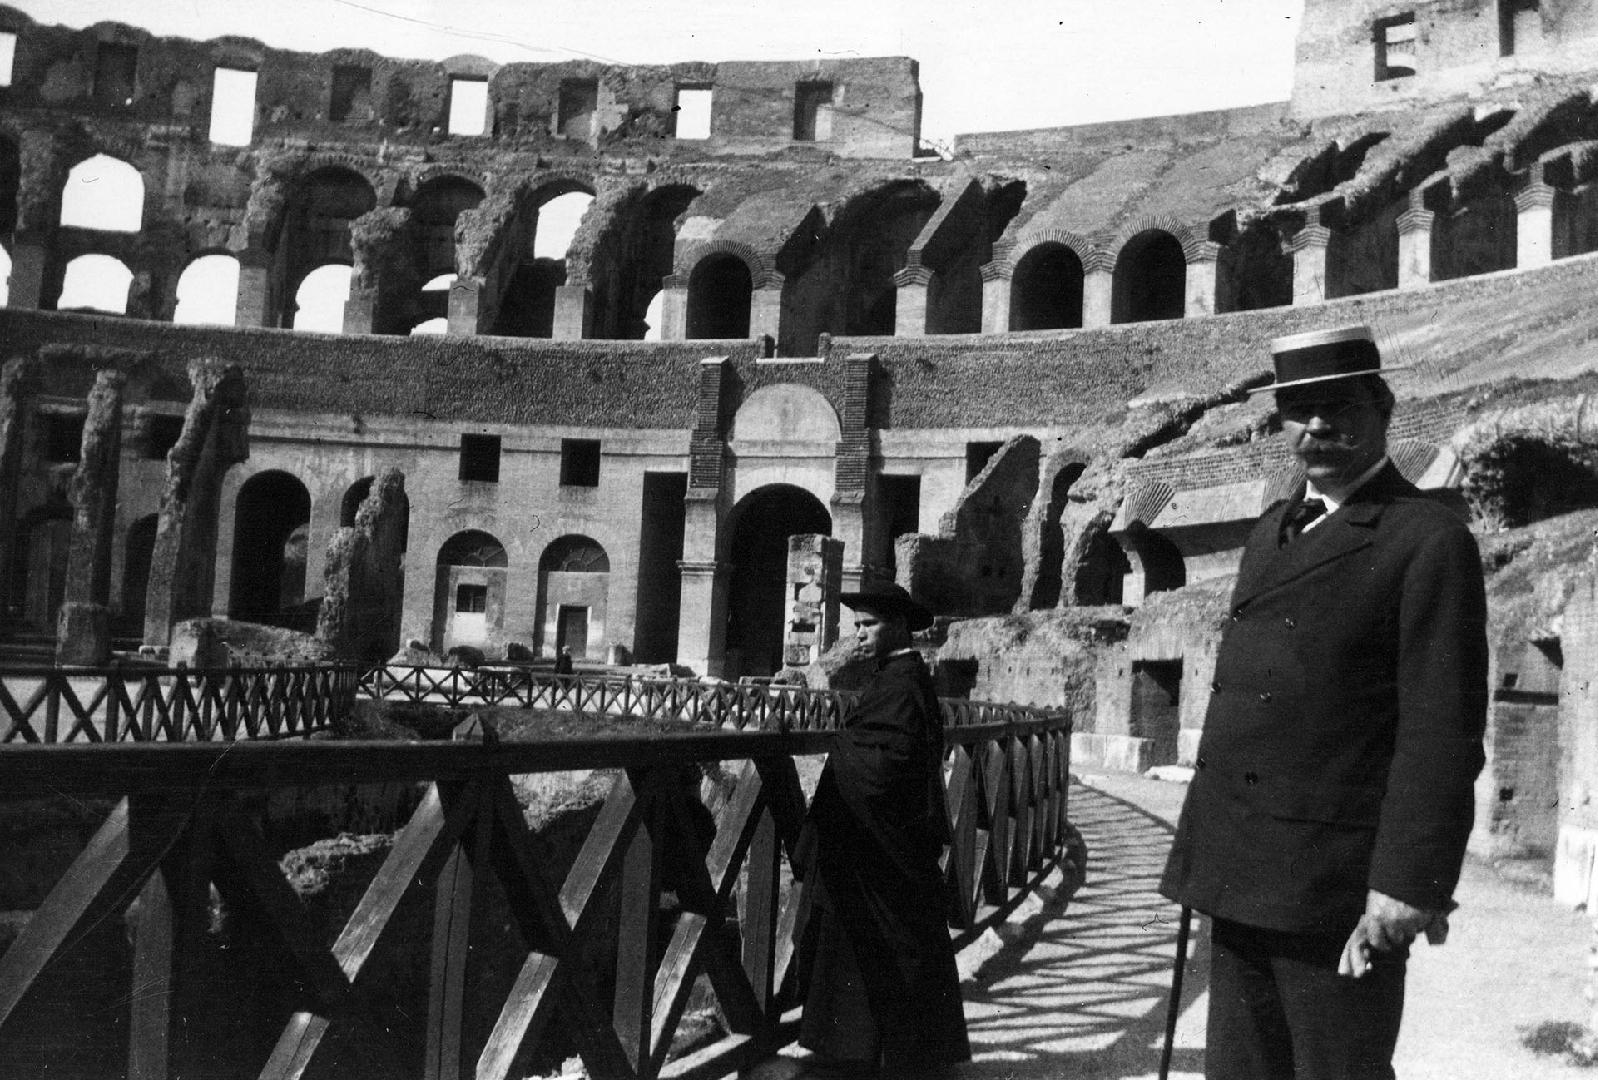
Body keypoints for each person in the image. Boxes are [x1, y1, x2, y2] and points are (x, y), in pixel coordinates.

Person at [1159, 325, 1489, 1080]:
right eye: (1297, 410)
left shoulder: (1427, 539)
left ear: (1383, 406)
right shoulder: (1271, 530)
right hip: (1239, 871)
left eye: (1337, 405)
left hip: (1333, 888)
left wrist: (1408, 885)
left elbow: (1441, 732)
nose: (1315, 425)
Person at [796, 582, 970, 1079]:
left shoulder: (902, 681)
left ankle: (877, 1056)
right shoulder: (899, 677)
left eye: (867, 625)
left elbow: (890, 760)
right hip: (881, 838)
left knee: (890, 942)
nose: (859, 636)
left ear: (896, 625)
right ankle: (872, 1050)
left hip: (883, 843)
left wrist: (841, 751)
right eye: (855, 627)